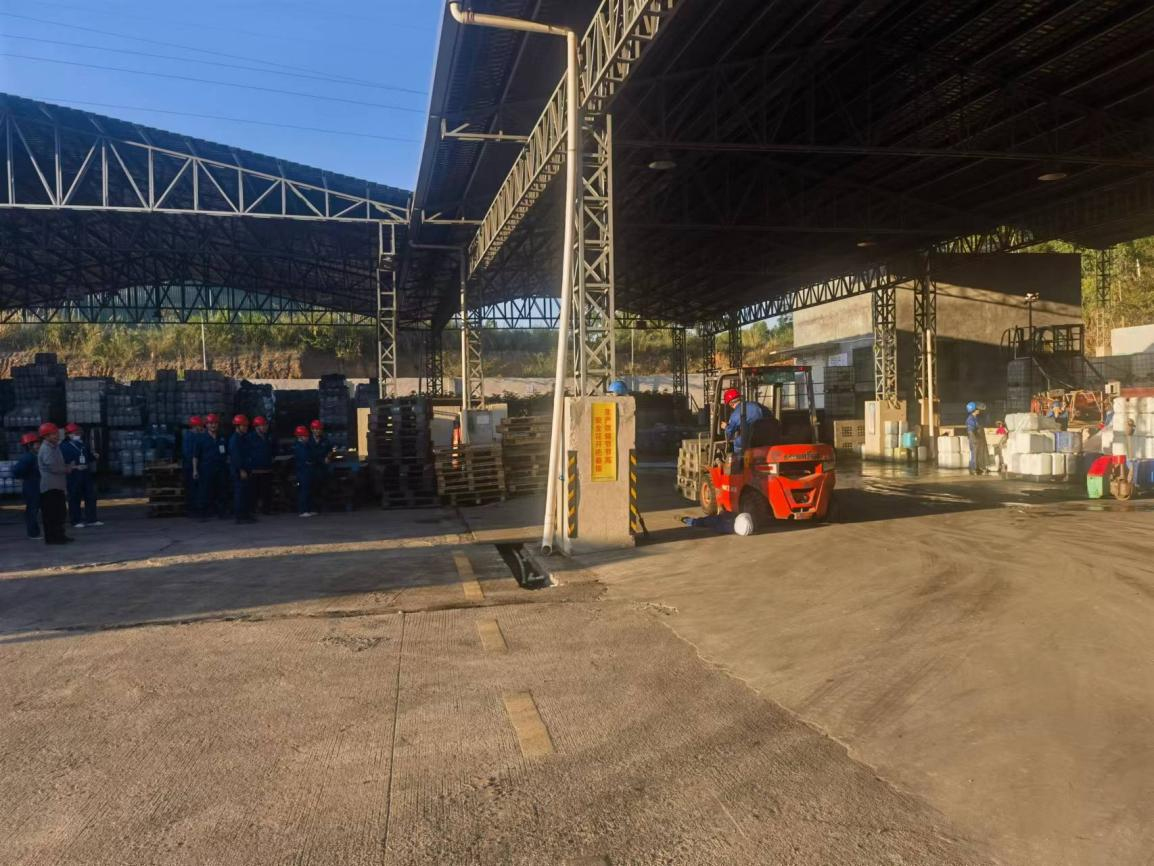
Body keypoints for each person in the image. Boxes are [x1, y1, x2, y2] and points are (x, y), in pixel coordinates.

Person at [36, 422, 75, 545]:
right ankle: (53, 538)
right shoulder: (46, 449)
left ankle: (59, 535)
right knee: (52, 514)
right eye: (54, 434)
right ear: (46, 436)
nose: (57, 436)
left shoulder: (54, 447)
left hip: (57, 486)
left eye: (57, 433)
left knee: (60, 513)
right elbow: (53, 467)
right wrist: (67, 469)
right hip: (50, 487)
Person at [60, 422, 101, 528]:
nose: (77, 434)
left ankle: (91, 519)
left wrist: (94, 456)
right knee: (74, 497)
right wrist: (73, 467)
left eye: (78, 432)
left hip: (85, 473)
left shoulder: (83, 444)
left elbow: (88, 457)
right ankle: (76, 520)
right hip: (73, 475)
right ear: (68, 434)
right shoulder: (63, 447)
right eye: (74, 433)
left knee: (90, 496)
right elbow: (61, 462)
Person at [193, 413, 229, 520]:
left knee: (221, 491)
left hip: (221, 469)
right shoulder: (201, 439)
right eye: (211, 423)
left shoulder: (222, 438)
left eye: (215, 423)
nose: (213, 425)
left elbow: (227, 454)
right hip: (206, 469)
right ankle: (203, 513)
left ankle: (221, 513)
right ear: (206, 425)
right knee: (205, 491)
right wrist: (195, 470)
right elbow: (195, 456)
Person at [721, 387, 771, 458]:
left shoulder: (735, 414)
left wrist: (726, 427)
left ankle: (740, 460)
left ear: (731, 403)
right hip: (767, 435)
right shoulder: (756, 404)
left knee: (737, 442)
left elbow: (730, 431)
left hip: (752, 439)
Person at [12, 432, 41, 539]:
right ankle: (33, 533)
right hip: (31, 486)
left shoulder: (34, 456)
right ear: (29, 445)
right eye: (36, 443)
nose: (39, 445)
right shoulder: (28, 457)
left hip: (35, 485)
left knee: (34, 509)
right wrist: (26, 476)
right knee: (32, 510)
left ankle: (34, 532)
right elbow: (16, 471)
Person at [228, 414, 255, 524]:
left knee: (246, 493)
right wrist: (241, 470)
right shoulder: (234, 440)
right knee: (240, 493)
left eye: (246, 426)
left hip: (246, 469)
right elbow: (236, 456)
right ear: (237, 426)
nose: (245, 428)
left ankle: (246, 515)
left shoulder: (244, 438)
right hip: (239, 471)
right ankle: (239, 517)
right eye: (243, 426)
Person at [248, 416, 274, 515]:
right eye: (263, 425)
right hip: (254, 470)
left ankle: (266, 510)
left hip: (267, 469)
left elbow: (274, 449)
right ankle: (252, 510)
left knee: (266, 491)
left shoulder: (269, 437)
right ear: (256, 426)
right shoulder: (250, 438)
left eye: (266, 425)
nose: (265, 427)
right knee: (254, 492)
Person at [307, 420, 333, 513]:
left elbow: (330, 450)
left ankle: (324, 507)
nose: (317, 431)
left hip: (323, 468)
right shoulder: (308, 441)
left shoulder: (325, 440)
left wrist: (328, 457)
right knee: (313, 488)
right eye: (315, 429)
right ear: (311, 430)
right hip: (312, 468)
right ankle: (314, 508)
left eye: (319, 429)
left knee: (324, 487)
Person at [292, 426, 316, 517]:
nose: (307, 438)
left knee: (309, 490)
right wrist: (308, 463)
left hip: (307, 470)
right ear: (300, 436)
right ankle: (303, 510)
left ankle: (308, 509)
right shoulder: (298, 447)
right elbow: (303, 459)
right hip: (302, 471)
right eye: (305, 436)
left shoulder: (305, 445)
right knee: (304, 491)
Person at [182, 416, 204, 514]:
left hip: (196, 466)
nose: (201, 427)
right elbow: (189, 454)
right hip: (190, 467)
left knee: (197, 489)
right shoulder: (189, 437)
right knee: (192, 489)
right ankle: (192, 509)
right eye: (200, 426)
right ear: (195, 426)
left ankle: (197, 508)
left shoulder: (196, 435)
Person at [965, 401, 990, 475]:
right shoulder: (970, 419)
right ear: (973, 410)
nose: (979, 410)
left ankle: (979, 468)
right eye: (977, 409)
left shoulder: (976, 418)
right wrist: (975, 440)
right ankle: (973, 469)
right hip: (975, 440)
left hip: (979, 439)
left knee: (980, 454)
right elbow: (970, 431)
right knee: (975, 454)